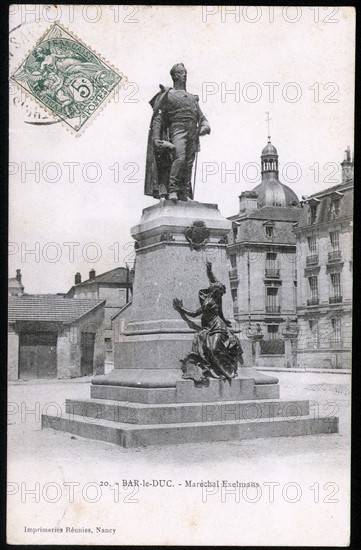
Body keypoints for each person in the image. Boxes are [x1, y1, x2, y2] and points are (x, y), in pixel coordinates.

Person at [144, 63, 210, 201]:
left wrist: (205, 126)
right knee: (179, 158)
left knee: (189, 161)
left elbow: (202, 118)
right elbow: (158, 118)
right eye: (180, 72)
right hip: (177, 128)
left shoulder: (192, 98)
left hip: (193, 130)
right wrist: (156, 139)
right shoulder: (168, 95)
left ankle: (184, 193)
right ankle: (172, 190)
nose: (184, 75)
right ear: (174, 75)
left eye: (185, 72)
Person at [173, 261, 243, 382]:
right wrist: (209, 271)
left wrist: (181, 308)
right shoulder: (212, 298)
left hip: (217, 327)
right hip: (211, 327)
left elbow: (195, 313)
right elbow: (214, 281)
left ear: (214, 290)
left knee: (213, 349)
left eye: (213, 286)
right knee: (212, 348)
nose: (211, 285)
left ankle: (227, 370)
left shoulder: (211, 302)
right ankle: (221, 369)